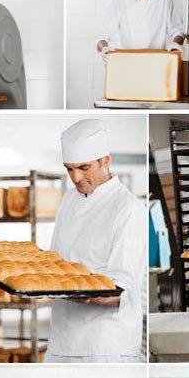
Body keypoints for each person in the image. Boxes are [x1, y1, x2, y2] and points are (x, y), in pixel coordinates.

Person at [45, 119, 146, 363]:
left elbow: (120, 292)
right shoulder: (68, 200)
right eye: (69, 169)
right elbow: (56, 262)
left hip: (105, 347)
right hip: (61, 341)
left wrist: (71, 290)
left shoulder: (128, 208)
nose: (76, 177)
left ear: (106, 161)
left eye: (84, 167)